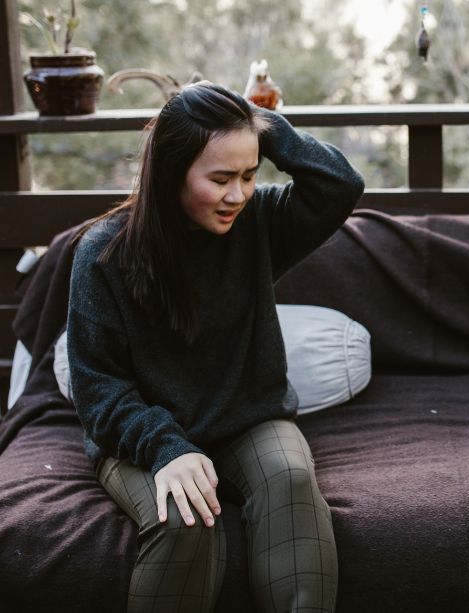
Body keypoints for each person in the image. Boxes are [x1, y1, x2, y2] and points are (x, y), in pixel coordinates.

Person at [67, 82, 364, 613]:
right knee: (186, 520)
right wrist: (166, 448)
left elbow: (340, 185)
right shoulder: (103, 254)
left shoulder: (259, 224)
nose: (238, 194)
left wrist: (259, 122)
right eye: (221, 178)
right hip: (139, 434)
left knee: (292, 480)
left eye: (250, 175)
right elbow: (98, 390)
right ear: (171, 172)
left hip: (248, 417)